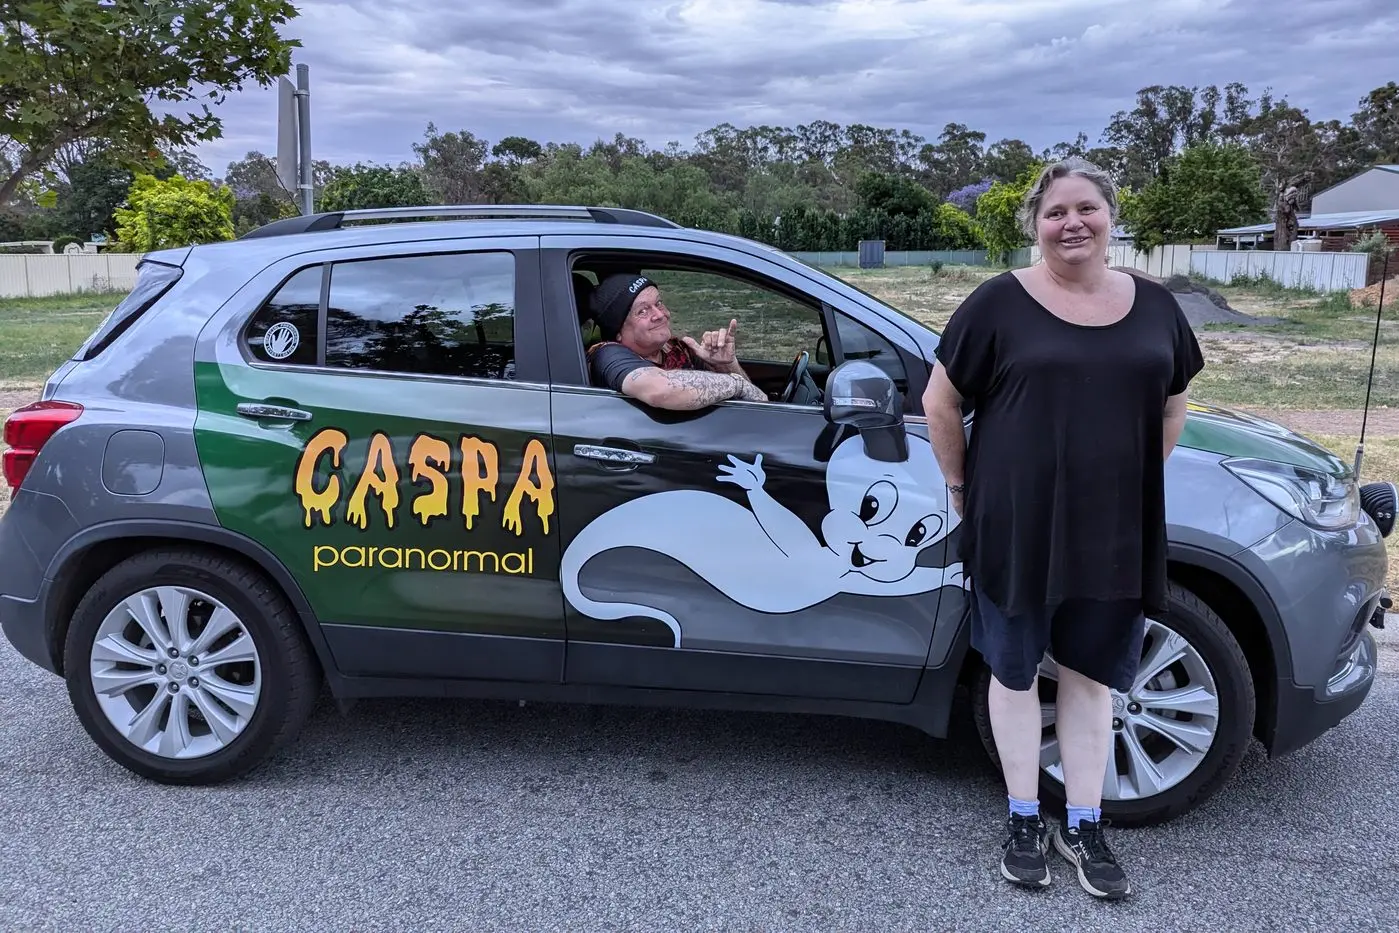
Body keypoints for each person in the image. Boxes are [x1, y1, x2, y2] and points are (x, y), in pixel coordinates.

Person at [921, 157, 1204, 900]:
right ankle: (1023, 817)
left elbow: (1173, 403)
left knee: (1090, 674)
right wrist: (961, 485)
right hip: (1016, 522)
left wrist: (1126, 479)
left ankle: (1083, 822)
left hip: (1113, 529)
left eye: (1086, 208)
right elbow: (939, 401)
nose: (1071, 222)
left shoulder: (1156, 306)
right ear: (1036, 226)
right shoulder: (997, 303)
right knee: (1014, 670)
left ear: (1110, 216)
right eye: (1055, 212)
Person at [584, 272, 769, 409]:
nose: (660, 315)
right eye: (643, 311)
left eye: (658, 303)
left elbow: (751, 403)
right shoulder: (607, 354)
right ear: (618, 331)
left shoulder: (677, 348)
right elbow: (660, 390)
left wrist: (726, 365)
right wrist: (736, 383)